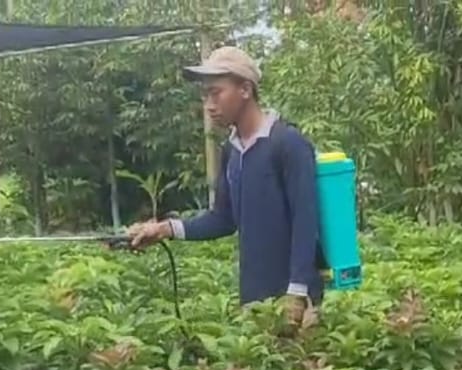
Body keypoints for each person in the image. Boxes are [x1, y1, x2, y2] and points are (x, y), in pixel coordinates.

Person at [128, 46, 324, 315]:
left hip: (296, 303)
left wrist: (297, 293)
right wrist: (164, 229)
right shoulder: (232, 151)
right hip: (255, 301)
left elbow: (306, 221)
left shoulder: (288, 144)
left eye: (216, 93)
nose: (209, 105)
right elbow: (223, 219)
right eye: (205, 95)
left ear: (245, 90)